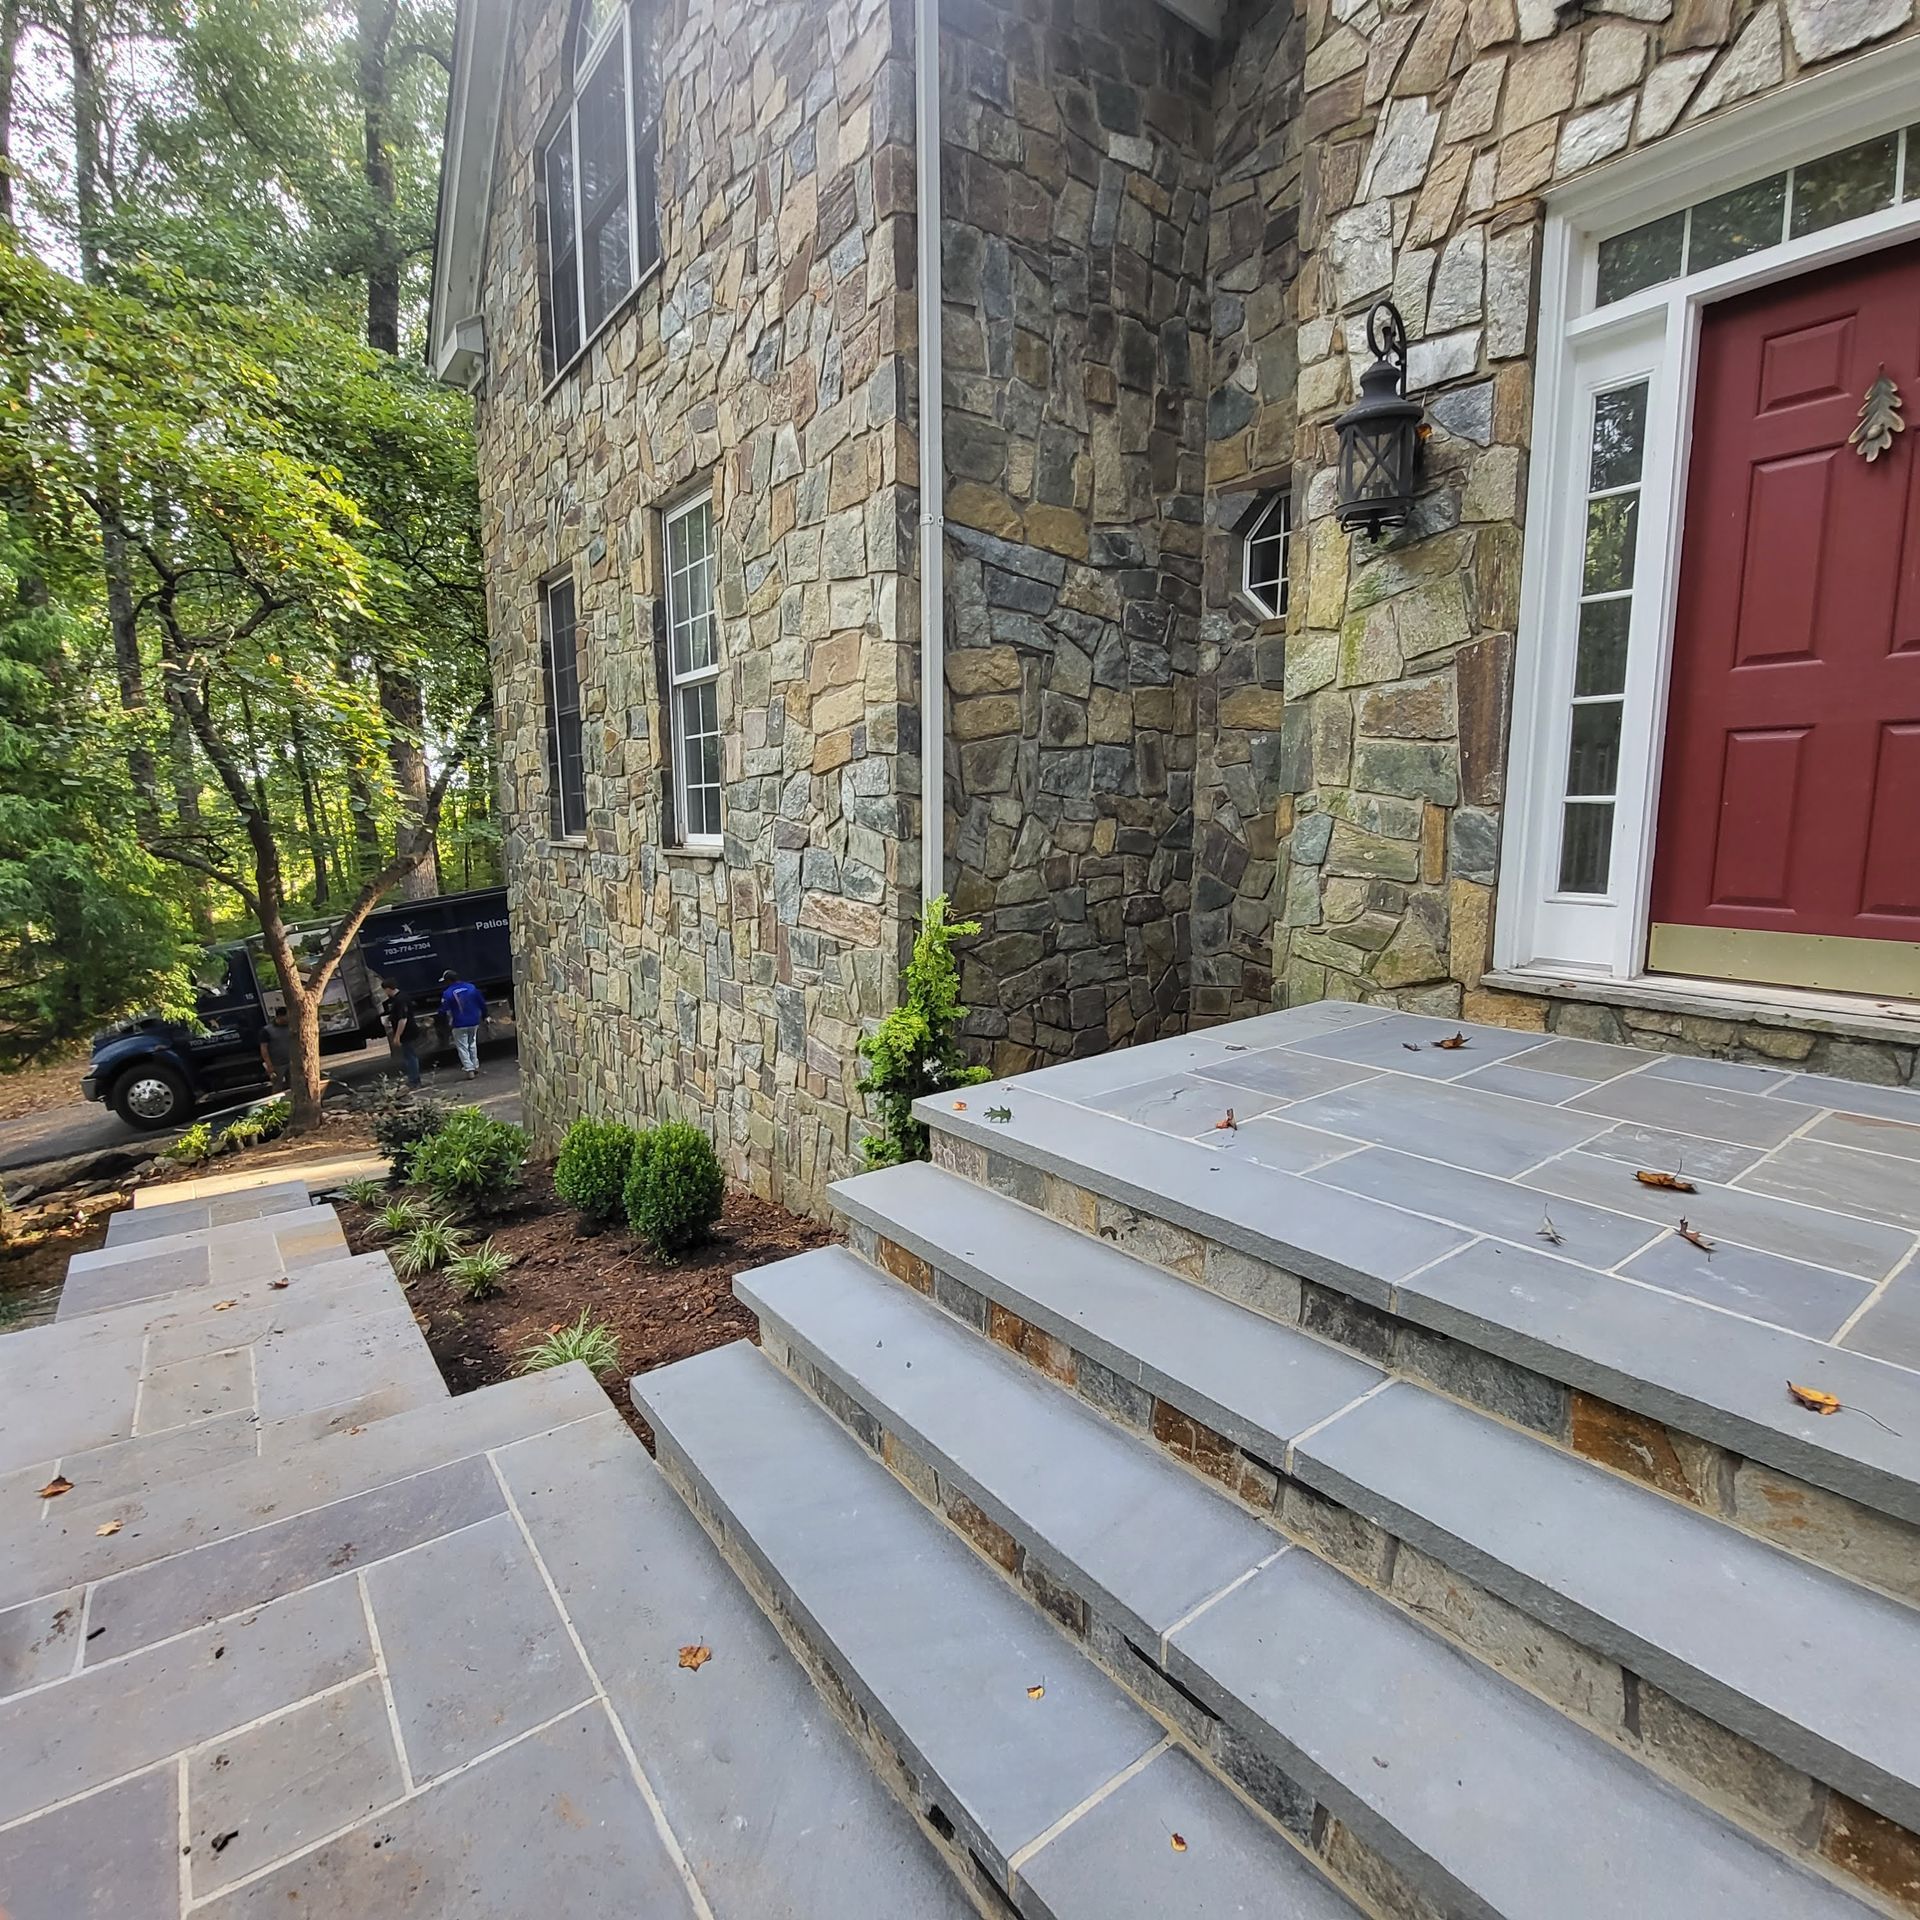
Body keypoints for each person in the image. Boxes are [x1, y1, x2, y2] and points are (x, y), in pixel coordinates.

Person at [439, 970, 486, 1079]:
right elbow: (481, 1002)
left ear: (448, 981)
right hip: (474, 1021)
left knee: (462, 1046)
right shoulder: (471, 987)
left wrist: (442, 1018)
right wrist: (485, 1015)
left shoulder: (448, 993)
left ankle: (469, 1069)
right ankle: (475, 1065)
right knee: (472, 1043)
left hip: (459, 1023)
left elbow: (443, 1009)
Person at [380, 981, 420, 1089]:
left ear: (388, 989)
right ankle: (414, 1079)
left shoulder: (400, 1000)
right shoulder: (401, 997)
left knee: (410, 1056)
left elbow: (403, 1019)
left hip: (407, 1031)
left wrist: (397, 1036)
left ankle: (414, 1080)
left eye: (384, 990)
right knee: (409, 1055)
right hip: (407, 1030)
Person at [258, 1005, 293, 1090]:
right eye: (287, 1016)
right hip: (277, 1064)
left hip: (291, 1061)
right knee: (277, 1087)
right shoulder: (267, 1030)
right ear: (280, 1016)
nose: (289, 1018)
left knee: (294, 1086)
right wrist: (269, 1065)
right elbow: (264, 1048)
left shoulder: (291, 1027)